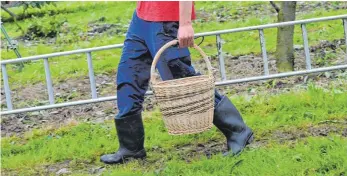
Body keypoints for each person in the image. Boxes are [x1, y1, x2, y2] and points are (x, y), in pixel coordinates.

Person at [100, 1, 254, 164]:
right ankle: (130, 147)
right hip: (141, 17)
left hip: (166, 19)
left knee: (182, 81)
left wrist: (185, 23)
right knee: (128, 77)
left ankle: (238, 131)